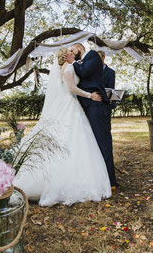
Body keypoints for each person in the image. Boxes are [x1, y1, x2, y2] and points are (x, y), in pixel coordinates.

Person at [13, 48, 111, 205]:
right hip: (70, 106)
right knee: (74, 140)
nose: (73, 53)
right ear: (67, 56)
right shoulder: (70, 67)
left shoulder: (57, 69)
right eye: (70, 52)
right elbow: (71, 89)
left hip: (60, 107)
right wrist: (89, 95)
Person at [65, 43, 118, 190]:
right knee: (91, 144)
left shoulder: (93, 55)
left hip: (96, 106)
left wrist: (73, 62)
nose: (71, 52)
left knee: (103, 141)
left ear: (80, 48)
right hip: (85, 106)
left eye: (73, 49)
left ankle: (111, 181)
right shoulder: (80, 63)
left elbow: (85, 72)